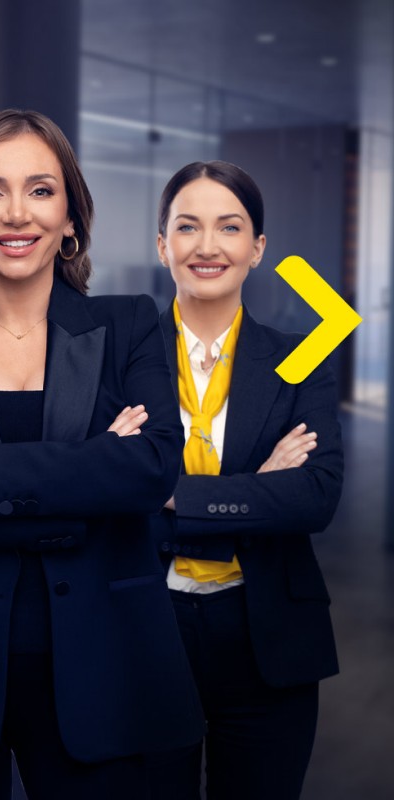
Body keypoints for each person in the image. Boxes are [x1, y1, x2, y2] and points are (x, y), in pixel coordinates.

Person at [0, 109, 204, 800]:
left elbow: (149, 472)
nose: (16, 213)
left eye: (41, 190)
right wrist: (88, 481)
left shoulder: (128, 324)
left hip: (108, 669)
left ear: (70, 217)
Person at [147, 161, 343, 800]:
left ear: (257, 248)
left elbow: (314, 496)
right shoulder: (118, 359)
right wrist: (258, 489)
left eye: (229, 228)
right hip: (145, 629)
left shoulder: (300, 359)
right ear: (162, 245)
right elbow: (99, 491)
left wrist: (171, 493)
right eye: (187, 227)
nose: (207, 246)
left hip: (268, 636)